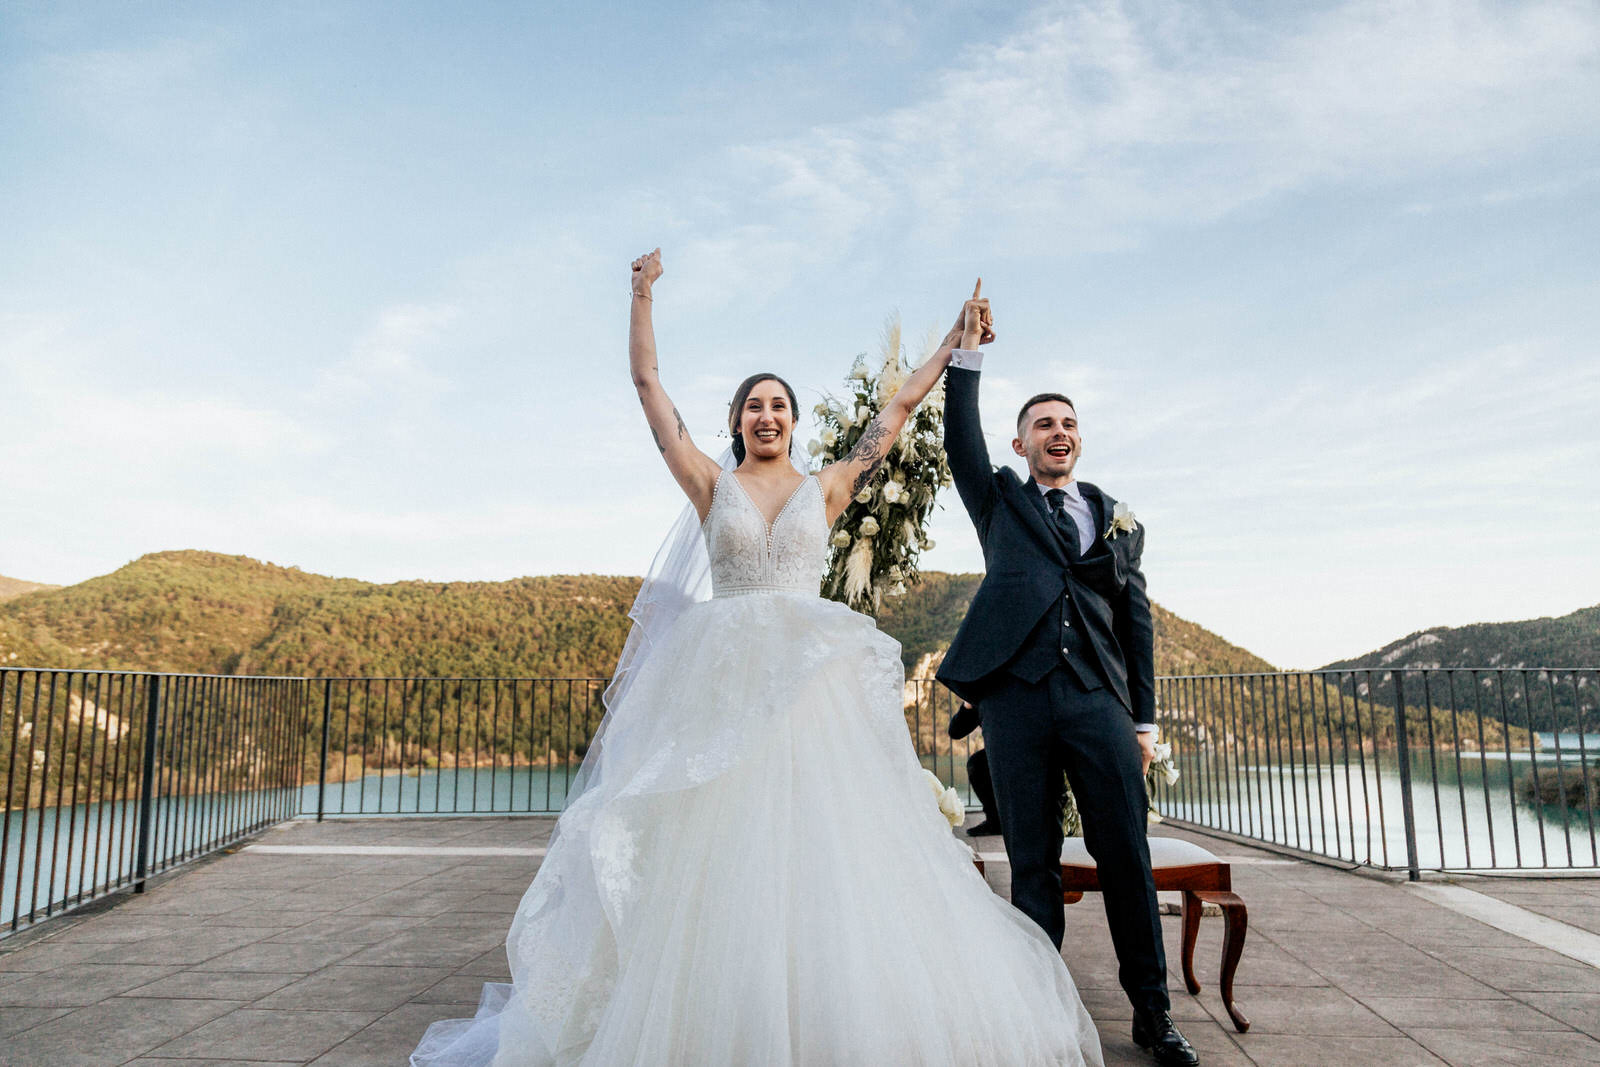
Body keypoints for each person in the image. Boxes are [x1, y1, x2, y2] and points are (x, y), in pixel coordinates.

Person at [409, 254, 1103, 1066]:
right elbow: (646, 387)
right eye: (752, 406)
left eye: (778, 405)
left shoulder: (833, 485)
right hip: (720, 694)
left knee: (825, 856)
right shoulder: (707, 484)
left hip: (812, 699)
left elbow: (902, 405)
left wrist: (957, 337)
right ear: (735, 421)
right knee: (714, 859)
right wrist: (640, 296)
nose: (766, 416)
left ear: (795, 422)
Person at [934, 325, 1200, 1066]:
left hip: (1098, 703)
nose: (1060, 431)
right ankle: (1038, 1013)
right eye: (1044, 423)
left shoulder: (1119, 520)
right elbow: (959, 439)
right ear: (1020, 445)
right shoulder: (1000, 504)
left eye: (1069, 423)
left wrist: (1142, 720)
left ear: (1078, 440)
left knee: (1127, 856)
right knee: (1033, 862)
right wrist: (967, 359)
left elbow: (1136, 623)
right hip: (1015, 703)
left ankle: (1153, 1014)